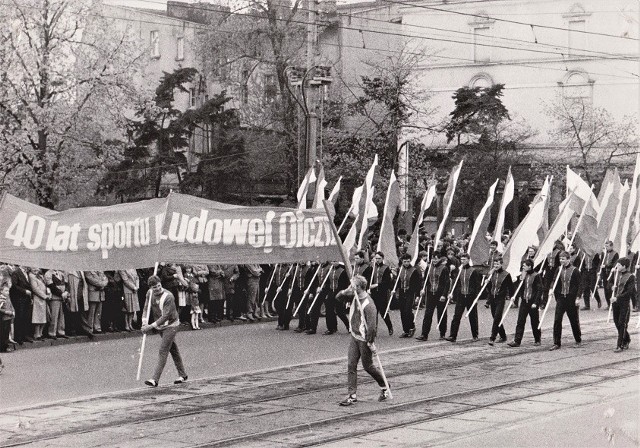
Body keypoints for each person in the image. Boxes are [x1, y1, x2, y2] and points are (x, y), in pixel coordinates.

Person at [336, 275, 390, 406]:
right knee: (351, 364)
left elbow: (372, 327)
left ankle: (384, 385)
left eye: (353, 285)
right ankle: (352, 395)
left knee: (368, 366)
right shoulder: (354, 296)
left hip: (364, 339)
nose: (352, 287)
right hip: (354, 336)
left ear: (359, 287)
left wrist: (370, 342)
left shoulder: (368, 304)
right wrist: (346, 290)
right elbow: (338, 298)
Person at [141, 275, 188, 387]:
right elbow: (146, 308)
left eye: (158, 286)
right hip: (160, 326)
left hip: (171, 325)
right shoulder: (149, 293)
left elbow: (165, 316)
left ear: (160, 284)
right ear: (151, 288)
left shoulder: (168, 297)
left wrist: (150, 326)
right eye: (155, 287)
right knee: (173, 350)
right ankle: (183, 374)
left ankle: (154, 379)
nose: (157, 288)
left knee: (163, 350)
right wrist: (144, 322)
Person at [549, 251, 582, 351]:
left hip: (571, 299)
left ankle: (578, 339)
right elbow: (554, 281)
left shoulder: (575, 270)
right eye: (560, 259)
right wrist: (551, 289)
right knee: (557, 320)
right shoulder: (558, 269)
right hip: (561, 298)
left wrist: (578, 297)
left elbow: (580, 285)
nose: (561, 261)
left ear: (568, 259)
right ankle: (556, 342)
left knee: (573, 320)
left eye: (563, 259)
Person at [446, 253, 481, 342]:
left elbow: (477, 285)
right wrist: (451, 293)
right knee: (456, 316)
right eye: (461, 259)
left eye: (464, 259)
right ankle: (453, 336)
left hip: (471, 296)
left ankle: (475, 335)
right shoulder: (459, 270)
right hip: (461, 296)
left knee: (473, 316)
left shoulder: (474, 271)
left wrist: (476, 297)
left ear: (468, 260)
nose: (463, 261)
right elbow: (456, 283)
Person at [508, 259, 542, 347]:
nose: (523, 267)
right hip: (524, 302)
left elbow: (539, 290)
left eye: (524, 266)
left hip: (532, 302)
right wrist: (514, 297)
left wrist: (536, 302)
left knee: (534, 322)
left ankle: (537, 339)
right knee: (520, 321)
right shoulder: (523, 274)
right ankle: (517, 340)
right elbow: (519, 288)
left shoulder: (536, 275)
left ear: (530, 266)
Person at [416, 256, 449, 341]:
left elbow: (447, 283)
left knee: (441, 313)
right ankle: (424, 334)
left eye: (436, 259)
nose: (434, 260)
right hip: (430, 294)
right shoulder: (428, 267)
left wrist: (444, 295)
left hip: (440, 294)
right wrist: (423, 289)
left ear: (439, 259)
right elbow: (426, 280)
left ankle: (442, 333)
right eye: (433, 258)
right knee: (428, 313)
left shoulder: (444, 268)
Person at [483, 257, 512, 346]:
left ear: (501, 264)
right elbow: (490, 289)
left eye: (497, 264)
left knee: (497, 317)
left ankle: (492, 338)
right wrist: (487, 282)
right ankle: (503, 335)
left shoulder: (506, 274)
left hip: (501, 299)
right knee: (496, 318)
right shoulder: (492, 274)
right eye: (495, 264)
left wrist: (512, 297)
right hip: (493, 299)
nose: (496, 266)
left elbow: (511, 287)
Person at [611, 258, 635, 352]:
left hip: (624, 303)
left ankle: (620, 344)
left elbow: (629, 291)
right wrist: (612, 287)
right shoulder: (616, 274)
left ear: (624, 266)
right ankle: (627, 338)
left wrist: (618, 298)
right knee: (617, 323)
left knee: (622, 323)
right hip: (615, 302)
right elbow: (609, 283)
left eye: (619, 265)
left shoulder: (630, 276)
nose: (617, 267)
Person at [369, 252, 394, 336]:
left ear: (382, 258)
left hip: (382, 292)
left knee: (383, 312)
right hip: (373, 292)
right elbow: (369, 278)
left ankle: (390, 327)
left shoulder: (386, 268)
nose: (377, 260)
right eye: (376, 258)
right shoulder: (372, 267)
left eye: (379, 258)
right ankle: (374, 330)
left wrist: (377, 285)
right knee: (373, 311)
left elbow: (387, 282)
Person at [397, 254, 420, 338]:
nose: (406, 263)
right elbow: (398, 282)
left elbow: (417, 284)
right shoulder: (400, 269)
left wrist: (417, 295)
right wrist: (395, 291)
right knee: (402, 311)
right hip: (402, 292)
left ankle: (411, 327)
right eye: (404, 261)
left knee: (408, 311)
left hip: (410, 293)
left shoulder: (414, 270)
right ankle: (405, 330)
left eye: (408, 261)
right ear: (402, 261)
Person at [10, 265, 33, 345]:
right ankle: (18, 337)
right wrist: (24, 291)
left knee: (26, 317)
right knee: (19, 317)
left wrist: (31, 297)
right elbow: (14, 286)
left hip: (26, 299)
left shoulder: (26, 273)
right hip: (19, 299)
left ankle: (24, 335)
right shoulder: (16, 273)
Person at [44, 270, 68, 339]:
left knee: (61, 315)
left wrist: (66, 291)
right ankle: (52, 333)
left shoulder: (61, 273)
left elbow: (66, 283)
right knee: (54, 315)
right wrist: (61, 293)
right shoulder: (48, 273)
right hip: (55, 297)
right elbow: (51, 286)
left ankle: (61, 331)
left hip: (62, 297)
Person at [602, 241, 619, 310]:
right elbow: (601, 262)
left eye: (608, 246)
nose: (606, 248)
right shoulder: (604, 254)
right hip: (604, 273)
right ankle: (608, 304)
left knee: (610, 289)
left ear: (611, 246)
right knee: (605, 289)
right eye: (605, 246)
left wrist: (606, 266)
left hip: (611, 274)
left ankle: (613, 304)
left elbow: (615, 264)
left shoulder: (615, 254)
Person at [0, 283, 16, 353]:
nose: (8, 292)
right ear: (1, 291)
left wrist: (13, 311)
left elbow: (11, 305)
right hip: (4, 317)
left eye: (8, 291)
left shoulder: (8, 297)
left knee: (7, 333)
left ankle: (6, 346)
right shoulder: (1, 298)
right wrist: (6, 312)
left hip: (9, 317)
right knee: (3, 333)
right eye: (6, 291)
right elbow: (0, 308)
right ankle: (3, 347)